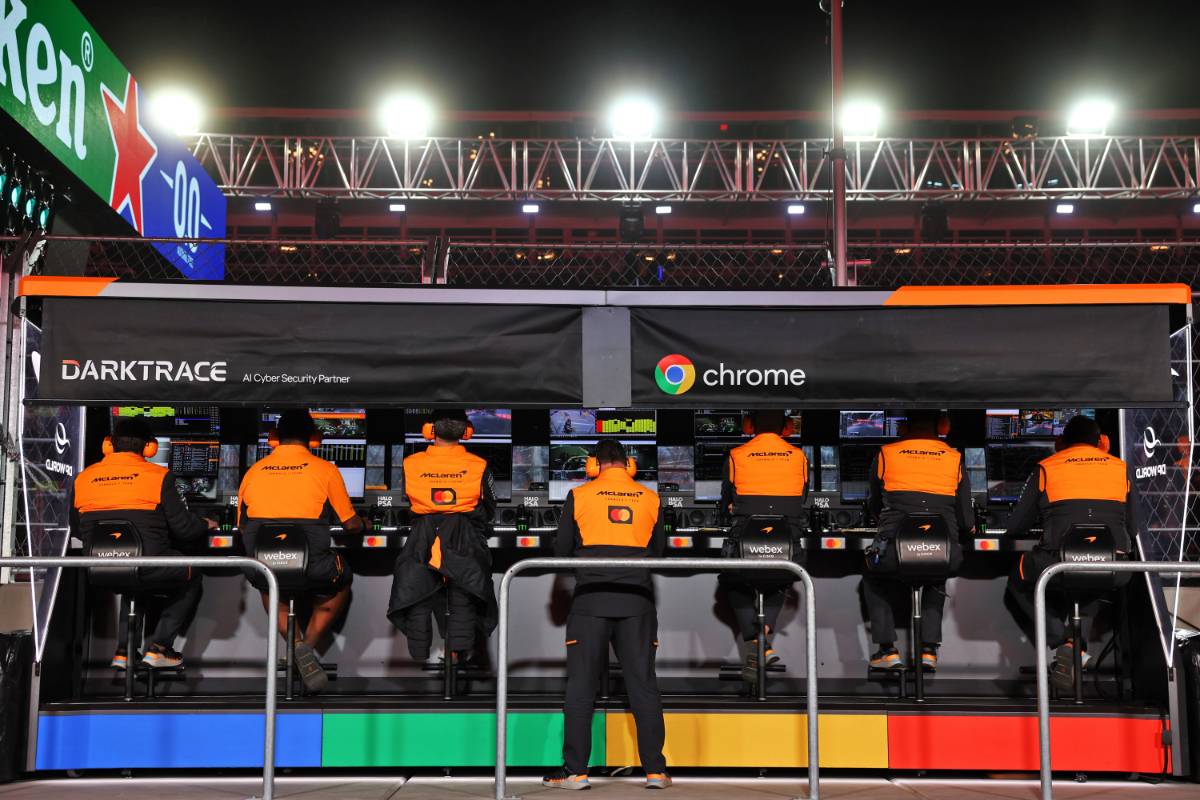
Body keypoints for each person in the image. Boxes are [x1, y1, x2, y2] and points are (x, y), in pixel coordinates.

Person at [544, 440, 670, 791]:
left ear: (593, 464)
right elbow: (659, 551)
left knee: (581, 687)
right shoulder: (650, 497)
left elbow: (561, 550)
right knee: (643, 686)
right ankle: (656, 772)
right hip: (637, 603)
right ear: (629, 465)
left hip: (590, 602)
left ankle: (576, 773)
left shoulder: (579, 495)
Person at [1003, 415, 1136, 691]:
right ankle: (1076, 645)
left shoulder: (1047, 467)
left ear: (1060, 442)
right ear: (1102, 442)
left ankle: (1062, 639)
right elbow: (1133, 527)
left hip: (1059, 563)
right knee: (1093, 579)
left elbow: (1016, 526)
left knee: (1017, 579)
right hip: (1114, 566)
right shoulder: (1121, 468)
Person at [72, 417, 216, 669]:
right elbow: (184, 530)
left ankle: (124, 651)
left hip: (99, 568)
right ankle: (160, 648)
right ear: (150, 447)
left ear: (109, 445)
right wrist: (205, 524)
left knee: (130, 578)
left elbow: (77, 529)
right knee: (192, 572)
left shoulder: (82, 478)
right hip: (148, 566)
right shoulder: (159, 477)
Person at [238, 409, 364, 694]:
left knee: (270, 586)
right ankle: (306, 647)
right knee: (342, 579)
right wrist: (364, 522)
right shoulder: (325, 470)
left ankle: (294, 645)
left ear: (274, 437)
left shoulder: (253, 472)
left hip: (263, 568)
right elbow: (351, 524)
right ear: (314, 438)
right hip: (312, 567)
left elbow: (242, 526)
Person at [388, 410, 498, 665]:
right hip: (465, 543)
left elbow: (407, 501)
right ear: (467, 432)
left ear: (429, 431)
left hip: (422, 542)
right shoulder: (479, 465)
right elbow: (490, 508)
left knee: (417, 591)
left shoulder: (411, 463)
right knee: (464, 596)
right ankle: (457, 655)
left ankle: (419, 648)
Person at [863, 410, 969, 671]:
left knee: (873, 575)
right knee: (935, 571)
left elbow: (874, 504)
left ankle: (887, 650)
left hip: (893, 554)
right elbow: (966, 519)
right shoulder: (954, 458)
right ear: (942, 425)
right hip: (945, 553)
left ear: (903, 426)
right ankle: (928, 650)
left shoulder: (886, 453)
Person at [718, 410, 808, 681]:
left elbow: (726, 502)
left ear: (748, 425)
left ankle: (755, 641)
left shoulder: (736, 455)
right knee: (779, 579)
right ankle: (762, 640)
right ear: (788, 427)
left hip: (744, 547)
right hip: (787, 550)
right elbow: (802, 498)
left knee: (732, 581)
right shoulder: (799, 457)